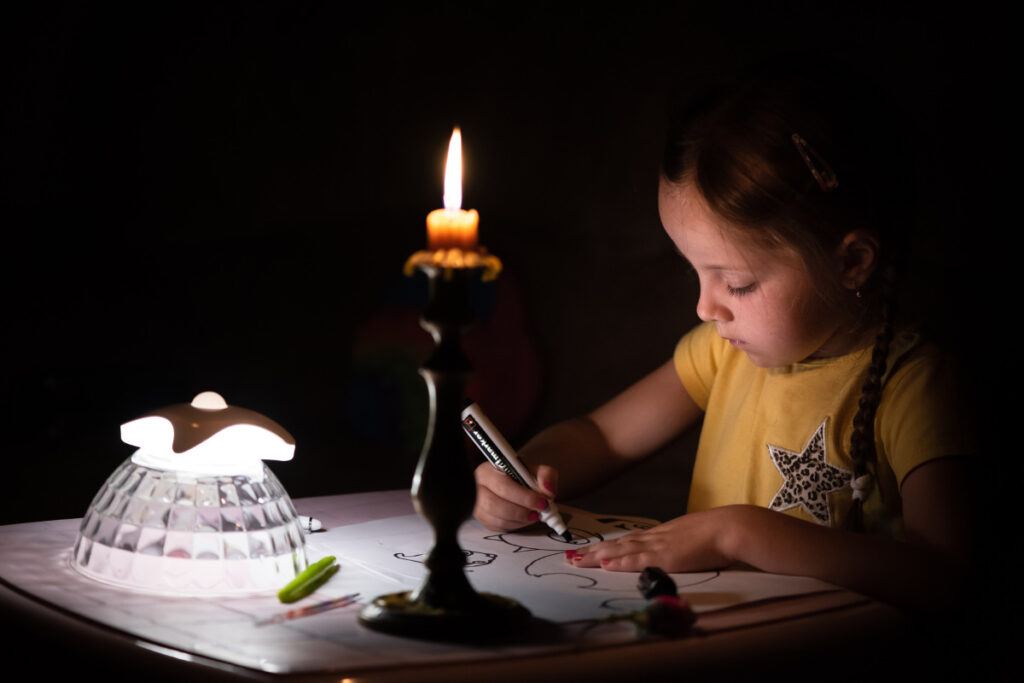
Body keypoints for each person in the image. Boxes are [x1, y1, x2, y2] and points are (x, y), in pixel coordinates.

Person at [472, 64, 976, 612]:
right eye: (695, 272)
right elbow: (601, 435)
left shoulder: (915, 386)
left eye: (737, 283)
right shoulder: (720, 353)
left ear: (853, 261)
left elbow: (946, 573)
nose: (705, 307)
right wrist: (525, 476)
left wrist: (741, 533)